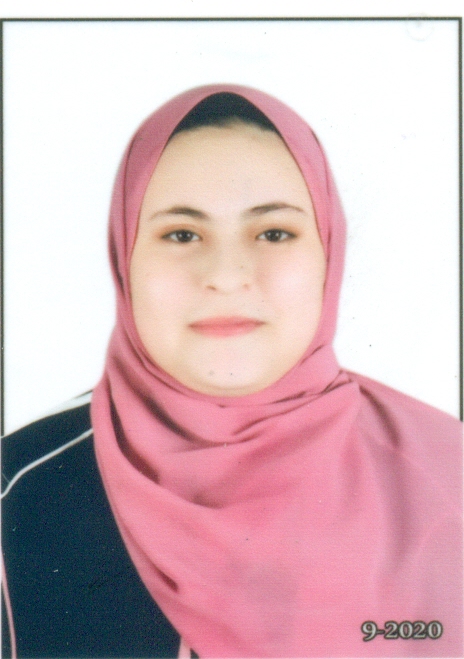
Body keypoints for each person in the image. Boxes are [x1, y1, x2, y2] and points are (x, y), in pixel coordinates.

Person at [2, 84, 462, 658]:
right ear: (125, 256)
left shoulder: (449, 475)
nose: (226, 274)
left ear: (329, 251)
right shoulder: (19, 493)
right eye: (181, 234)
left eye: (274, 233)